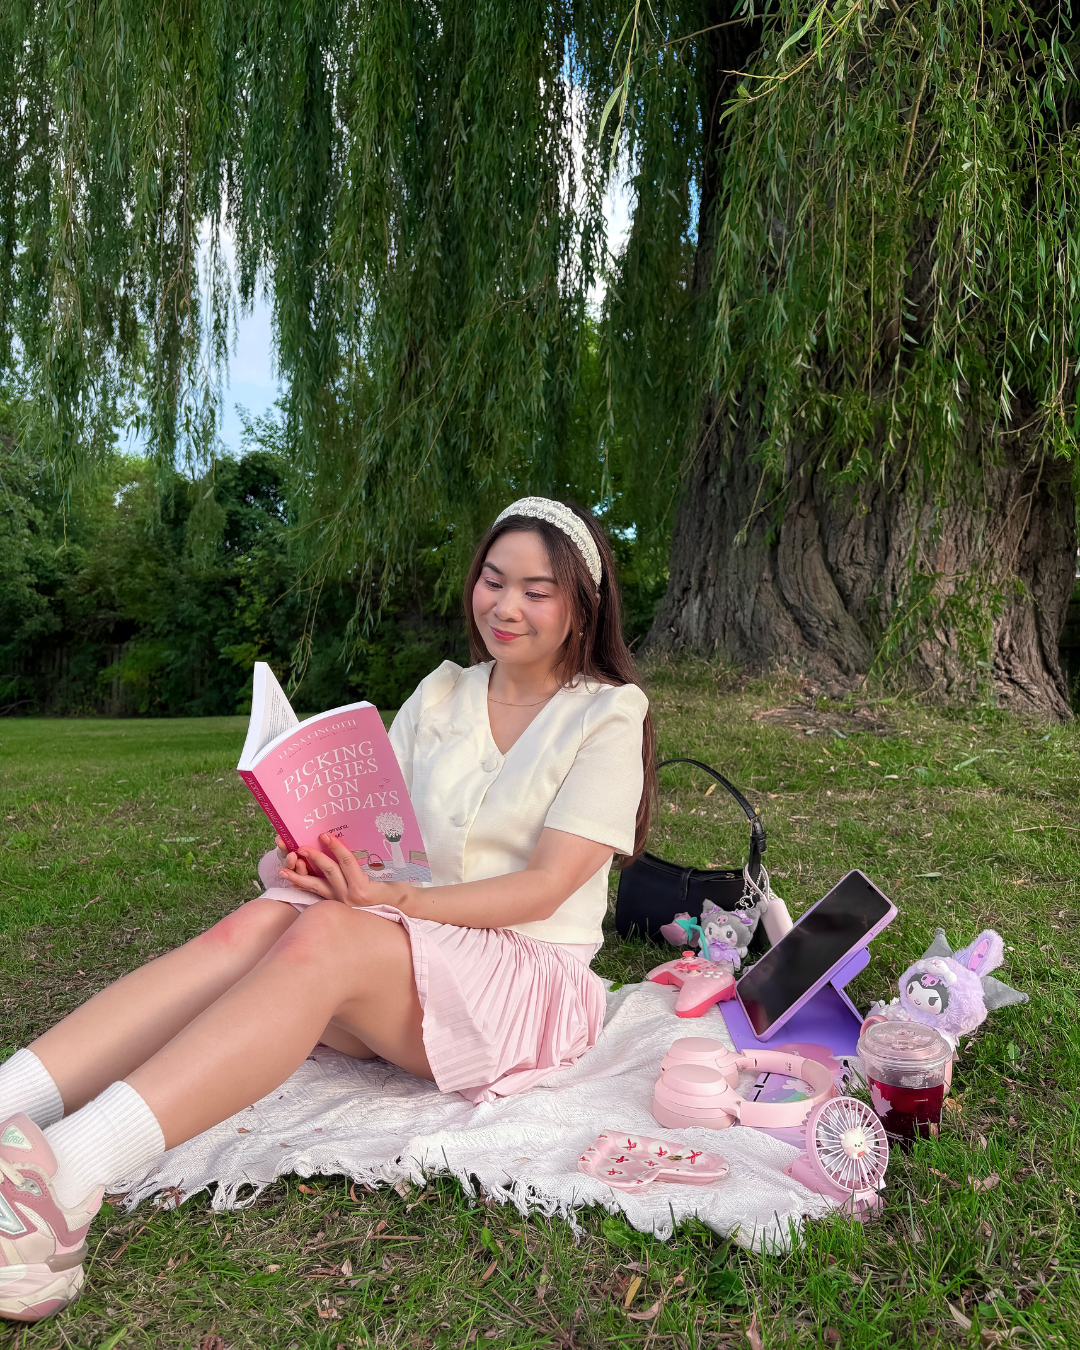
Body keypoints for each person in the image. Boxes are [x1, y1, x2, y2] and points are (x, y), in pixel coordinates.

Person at [0, 497, 656, 1323]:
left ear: (582, 606)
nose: (506, 606)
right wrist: (325, 857)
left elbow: (547, 886)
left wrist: (393, 899)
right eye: (493, 580)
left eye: (537, 590)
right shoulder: (445, 690)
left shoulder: (607, 712)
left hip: (520, 976)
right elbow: (391, 838)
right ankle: (5, 1105)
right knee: (262, 921)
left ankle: (59, 1183)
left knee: (331, 938)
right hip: (405, 939)